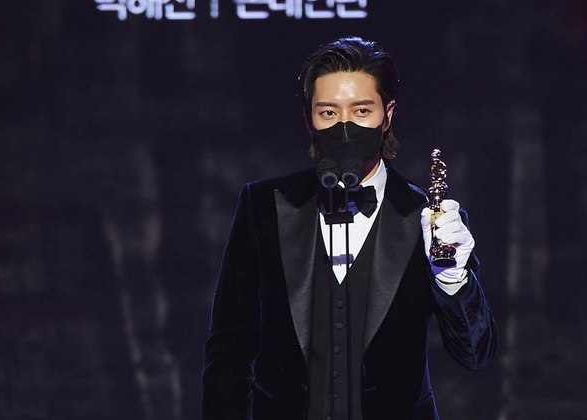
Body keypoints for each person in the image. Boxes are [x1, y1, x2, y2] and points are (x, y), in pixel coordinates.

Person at [202, 37, 497, 420]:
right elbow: (229, 350)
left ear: (387, 115)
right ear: (309, 118)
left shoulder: (427, 218)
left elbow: (475, 353)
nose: (344, 127)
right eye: (328, 112)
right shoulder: (263, 206)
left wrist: (452, 279)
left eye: (361, 111)